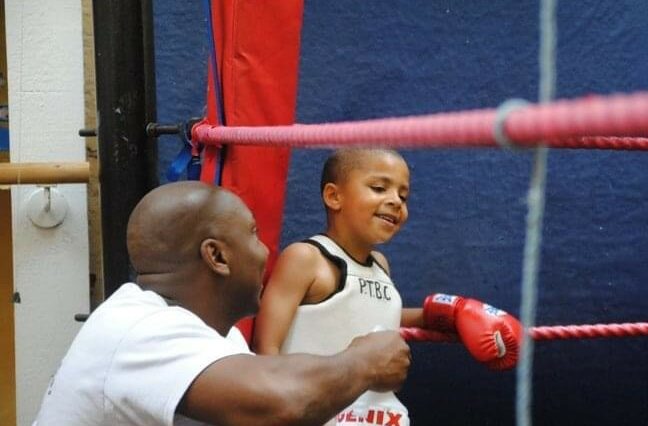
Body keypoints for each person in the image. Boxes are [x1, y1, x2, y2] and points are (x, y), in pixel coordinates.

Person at [33, 181, 411, 426]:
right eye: (253, 235)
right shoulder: (141, 328)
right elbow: (279, 402)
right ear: (217, 257)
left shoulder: (218, 338)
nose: (265, 252)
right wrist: (365, 361)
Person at [254, 148, 523, 426]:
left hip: (377, 416)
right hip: (314, 413)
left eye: (403, 196)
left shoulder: (380, 264)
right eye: (379, 188)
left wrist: (450, 313)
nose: (395, 201)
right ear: (334, 196)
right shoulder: (306, 258)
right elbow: (265, 350)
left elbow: (367, 315)